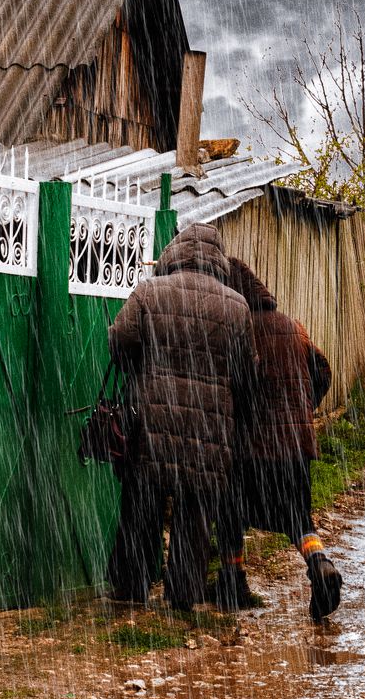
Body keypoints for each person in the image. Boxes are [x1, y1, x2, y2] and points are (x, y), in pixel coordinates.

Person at [105, 224, 256, 611]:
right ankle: (183, 593)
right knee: (195, 510)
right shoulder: (237, 306)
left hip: (153, 424)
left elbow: (119, 341)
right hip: (209, 431)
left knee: (143, 504)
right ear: (217, 259)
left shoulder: (149, 292)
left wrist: (143, 364)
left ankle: (131, 589)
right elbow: (247, 374)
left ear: (173, 253)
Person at [217, 258, 343, 622]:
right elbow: (323, 370)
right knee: (297, 516)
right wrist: (305, 409)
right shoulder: (294, 328)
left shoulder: (242, 332)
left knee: (231, 511)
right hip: (295, 446)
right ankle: (319, 563)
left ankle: (233, 583)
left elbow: (236, 387)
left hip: (251, 448)